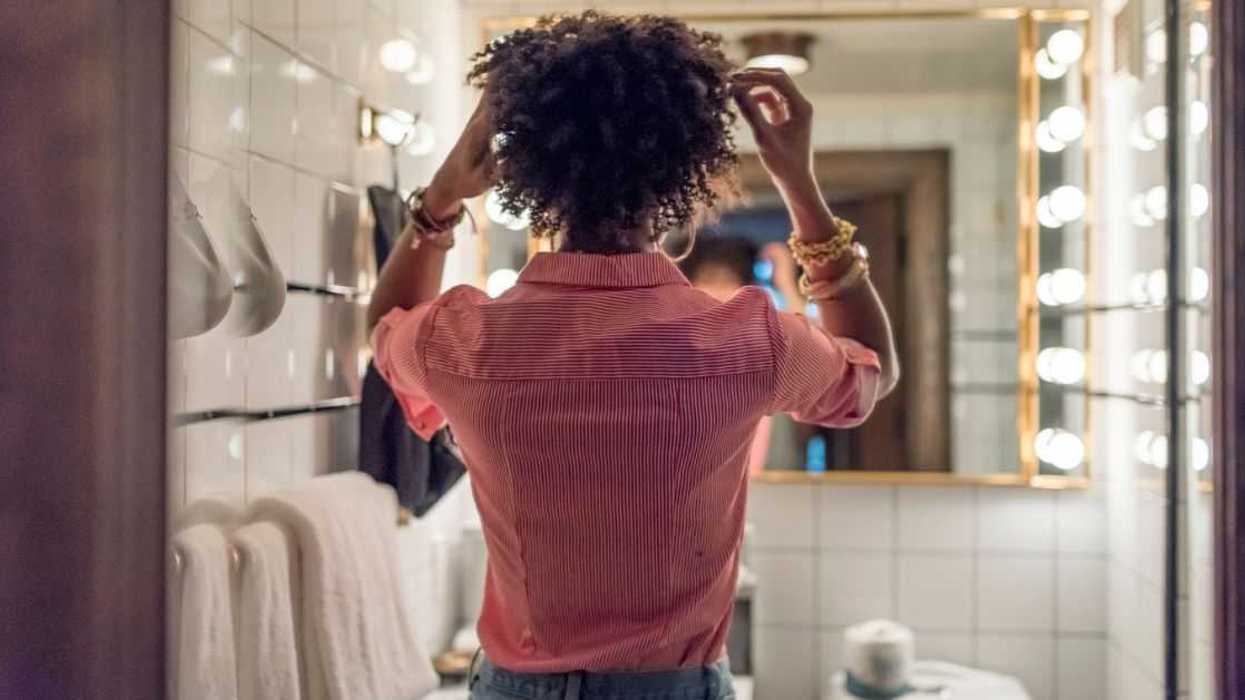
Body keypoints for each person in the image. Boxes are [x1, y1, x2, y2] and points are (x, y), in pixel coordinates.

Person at [367, 11, 898, 699]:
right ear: (687, 174)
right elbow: (872, 368)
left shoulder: (466, 340)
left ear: (531, 172)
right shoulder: (748, 341)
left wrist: (439, 199)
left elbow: (383, 330)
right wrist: (798, 182)